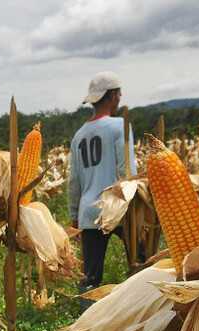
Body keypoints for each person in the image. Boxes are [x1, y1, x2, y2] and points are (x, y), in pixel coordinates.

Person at [67, 71, 137, 292]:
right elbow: (126, 171)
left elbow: (74, 181)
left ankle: (84, 314)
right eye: (118, 93)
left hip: (88, 210)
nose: (120, 97)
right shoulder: (119, 126)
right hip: (116, 206)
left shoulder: (78, 136)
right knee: (140, 263)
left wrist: (73, 216)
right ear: (112, 96)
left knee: (90, 278)